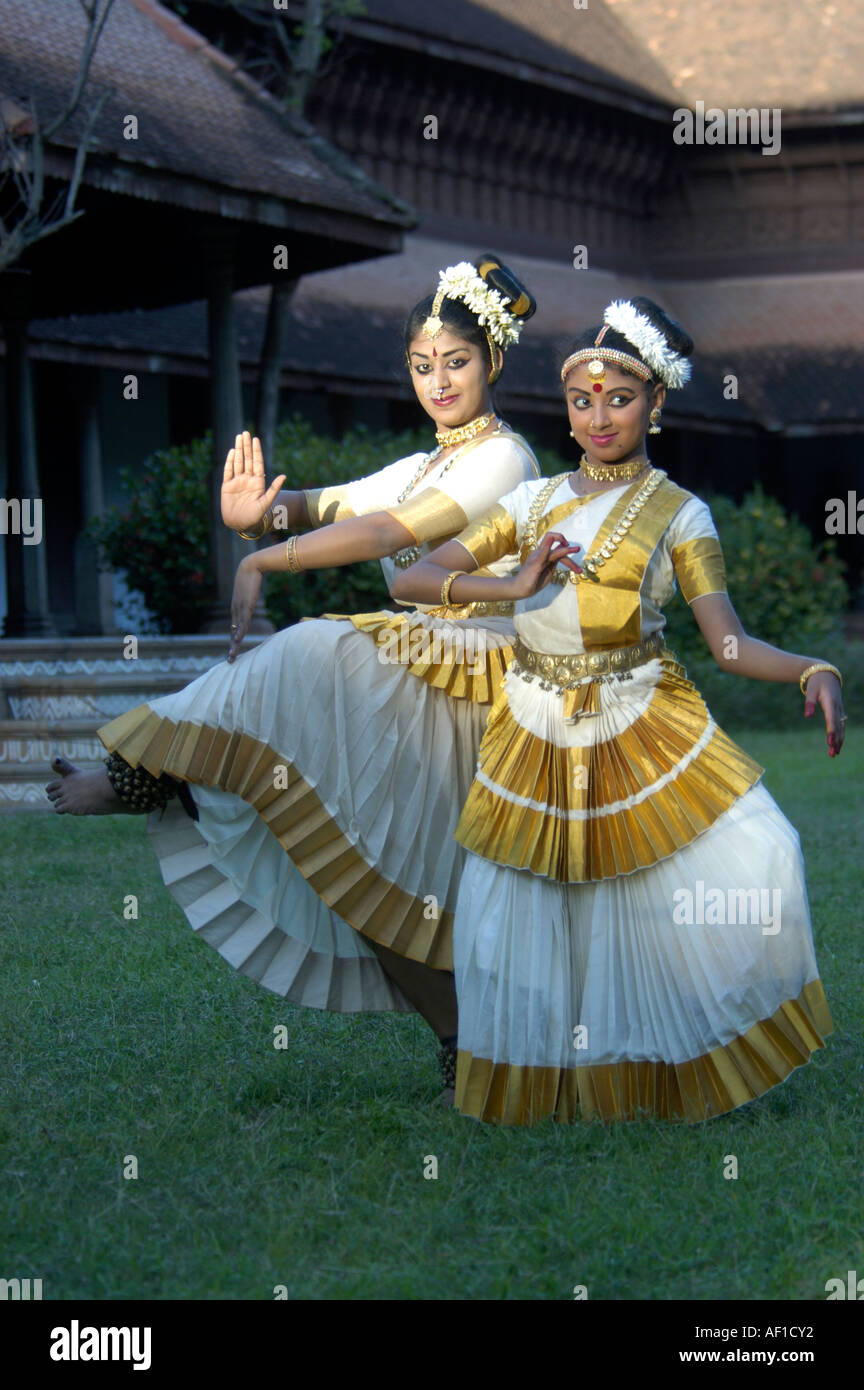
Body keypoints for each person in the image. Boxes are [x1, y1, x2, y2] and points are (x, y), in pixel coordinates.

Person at [45, 255, 542, 1100]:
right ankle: (468, 1048)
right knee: (356, 872)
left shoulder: (504, 458)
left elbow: (394, 529)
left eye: (456, 362)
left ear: (492, 362)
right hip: (430, 680)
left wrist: (266, 561)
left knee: (308, 653)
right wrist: (256, 518)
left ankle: (144, 774)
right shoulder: (426, 461)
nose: (438, 381)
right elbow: (324, 503)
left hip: (487, 686)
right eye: (422, 367)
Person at [391, 296, 844, 1125]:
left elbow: (731, 646)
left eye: (620, 398)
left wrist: (812, 666)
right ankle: (539, 1081)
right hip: (531, 719)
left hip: (637, 713)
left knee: (759, 856)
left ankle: (651, 1069)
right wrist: (511, 584)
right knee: (527, 905)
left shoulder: (682, 515)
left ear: (656, 404)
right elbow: (410, 578)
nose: (599, 416)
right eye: (581, 400)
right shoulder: (531, 507)